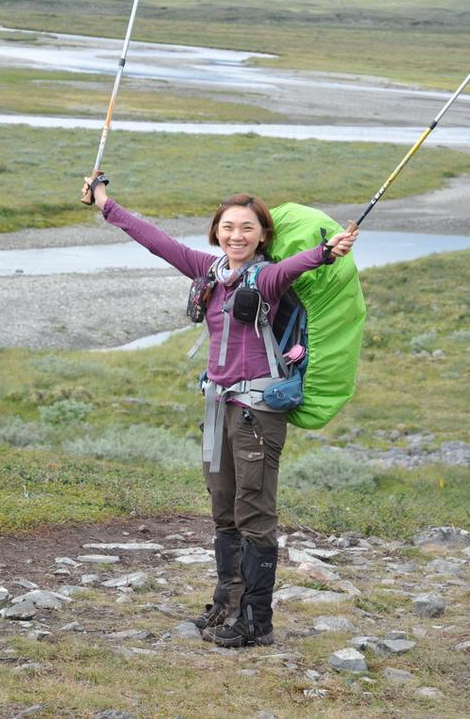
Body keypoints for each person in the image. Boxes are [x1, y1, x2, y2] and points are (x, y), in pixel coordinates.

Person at [82, 174, 358, 648]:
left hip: (257, 413)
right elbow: (156, 241)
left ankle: (256, 620)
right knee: (223, 506)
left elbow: (299, 265)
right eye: (228, 226)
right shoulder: (207, 271)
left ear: (263, 235)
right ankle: (227, 605)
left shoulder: (267, 277)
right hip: (218, 406)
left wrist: (329, 250)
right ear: (216, 231)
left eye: (247, 228)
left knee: (253, 511)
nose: (236, 235)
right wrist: (105, 203)